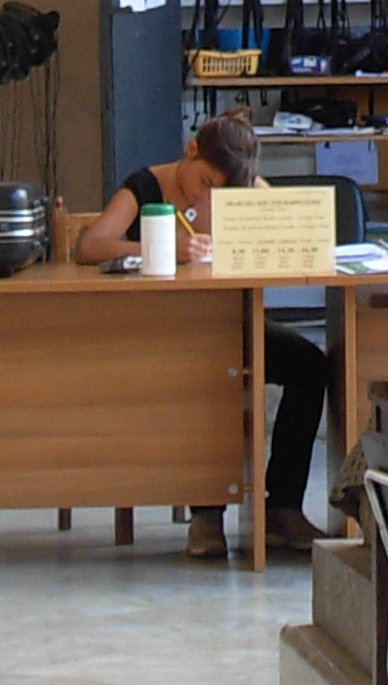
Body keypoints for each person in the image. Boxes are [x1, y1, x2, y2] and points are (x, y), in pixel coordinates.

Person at [74, 111, 327, 555]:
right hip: (163, 333)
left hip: (229, 324)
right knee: (215, 370)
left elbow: (296, 233)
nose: (205, 195)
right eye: (206, 182)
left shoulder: (246, 192)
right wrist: (162, 248)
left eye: (220, 191)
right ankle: (207, 513)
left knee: (310, 366)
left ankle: (283, 507)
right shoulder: (146, 186)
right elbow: (90, 246)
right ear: (191, 151)